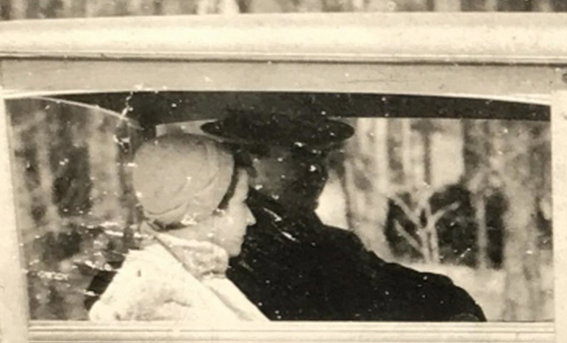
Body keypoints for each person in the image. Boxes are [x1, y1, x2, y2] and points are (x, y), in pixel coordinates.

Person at [201, 110, 485, 322]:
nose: (317, 172)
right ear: (248, 161)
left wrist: (451, 302)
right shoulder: (231, 245)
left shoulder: (330, 241)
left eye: (322, 157)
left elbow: (387, 284)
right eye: (300, 156)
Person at [90, 133, 266, 323]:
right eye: (242, 202)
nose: (251, 219)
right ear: (204, 208)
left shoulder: (187, 274)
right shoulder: (161, 291)